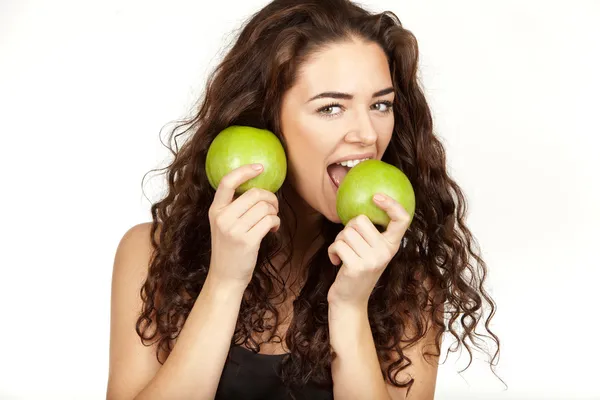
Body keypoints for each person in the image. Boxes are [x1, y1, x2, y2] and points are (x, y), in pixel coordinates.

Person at [107, 0, 502, 399]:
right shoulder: (151, 253)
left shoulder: (410, 286)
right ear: (267, 121)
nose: (367, 133)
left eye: (380, 105)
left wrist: (350, 308)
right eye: (331, 107)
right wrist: (225, 282)